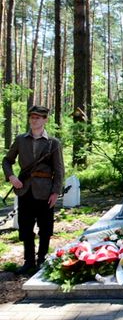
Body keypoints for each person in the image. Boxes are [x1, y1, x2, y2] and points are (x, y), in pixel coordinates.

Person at [2, 105, 64, 275]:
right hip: (25, 189)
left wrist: (55, 192)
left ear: (45, 120)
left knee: (45, 227)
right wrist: (11, 177)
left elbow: (59, 170)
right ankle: (29, 261)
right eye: (32, 117)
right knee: (25, 226)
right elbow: (7, 161)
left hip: (45, 191)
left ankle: (42, 259)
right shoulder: (21, 140)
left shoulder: (53, 143)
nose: (34, 120)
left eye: (38, 117)